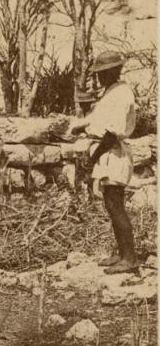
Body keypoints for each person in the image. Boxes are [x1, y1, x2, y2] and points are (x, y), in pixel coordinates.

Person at [70, 51, 138, 274]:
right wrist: (84, 125)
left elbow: (111, 134)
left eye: (101, 73)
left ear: (111, 72)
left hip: (112, 153)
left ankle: (129, 258)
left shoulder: (122, 94)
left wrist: (92, 158)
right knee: (111, 204)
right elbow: (100, 121)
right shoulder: (111, 92)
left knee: (115, 205)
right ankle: (121, 253)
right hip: (107, 152)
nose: (98, 78)